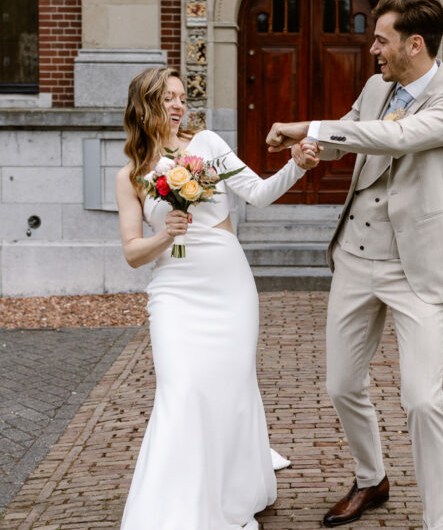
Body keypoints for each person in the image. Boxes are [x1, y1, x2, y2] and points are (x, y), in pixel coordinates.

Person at [265, 0, 443, 530]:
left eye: (381, 40)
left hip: (416, 270)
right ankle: (372, 479)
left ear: (414, 43)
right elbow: (353, 131)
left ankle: (439, 522)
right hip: (356, 257)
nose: (372, 50)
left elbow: (398, 138)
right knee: (341, 385)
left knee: (421, 400)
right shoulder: (375, 87)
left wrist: (310, 126)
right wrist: (313, 149)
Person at [116, 66, 318, 530]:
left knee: (231, 388)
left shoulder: (206, 145)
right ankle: (175, 507)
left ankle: (229, 492)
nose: (178, 105)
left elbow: (259, 194)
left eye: (182, 97)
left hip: (227, 284)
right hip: (174, 290)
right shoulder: (129, 175)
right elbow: (132, 254)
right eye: (167, 97)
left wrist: (298, 165)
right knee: (180, 387)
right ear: (144, 103)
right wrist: (166, 234)